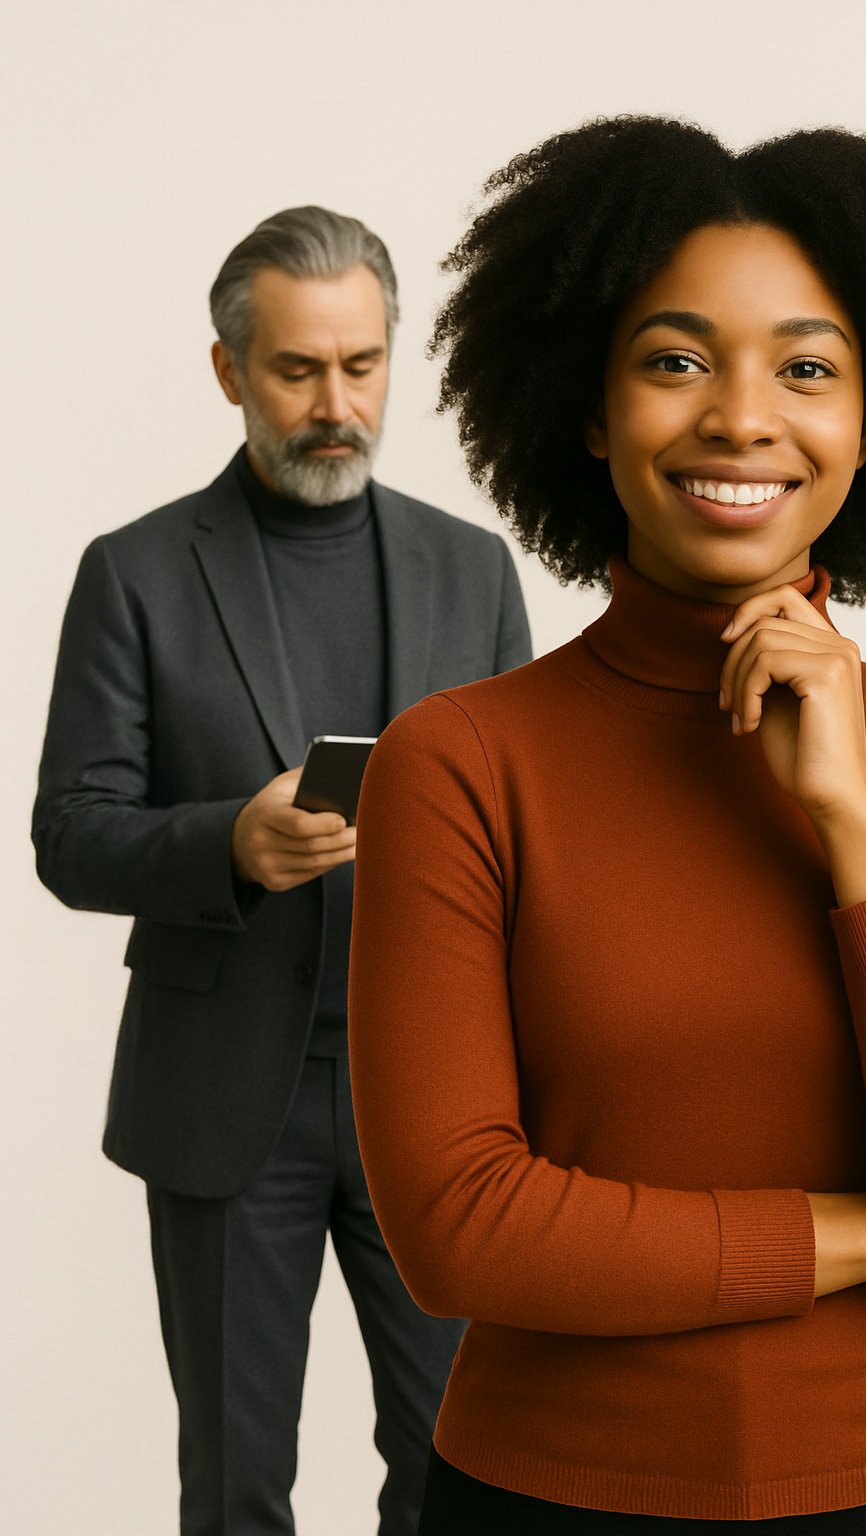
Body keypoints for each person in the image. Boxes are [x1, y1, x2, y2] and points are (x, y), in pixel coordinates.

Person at [345, 120, 866, 1533]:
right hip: (547, 1500)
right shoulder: (461, 764)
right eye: (676, 359)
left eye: (807, 367)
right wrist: (860, 1238)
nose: (742, 416)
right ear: (587, 404)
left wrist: (854, 827)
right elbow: (458, 1227)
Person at [32, 205, 532, 1536]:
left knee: (459, 1473)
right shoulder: (135, 572)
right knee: (238, 1486)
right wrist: (229, 845)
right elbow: (70, 832)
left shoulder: (472, 571)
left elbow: (531, 842)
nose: (336, 403)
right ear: (229, 371)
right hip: (225, 1105)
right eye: (299, 370)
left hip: (431, 1104)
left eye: (361, 366)